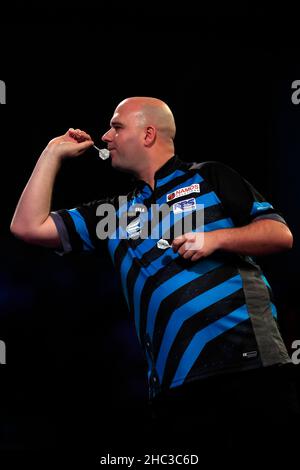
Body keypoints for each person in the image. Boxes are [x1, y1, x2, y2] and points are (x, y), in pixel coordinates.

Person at [10, 97, 299, 459]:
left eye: (116, 127)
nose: (105, 136)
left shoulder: (208, 177)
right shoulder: (112, 214)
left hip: (251, 368)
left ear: (148, 134)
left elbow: (279, 234)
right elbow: (27, 226)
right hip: (175, 390)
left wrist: (216, 238)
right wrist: (52, 153)